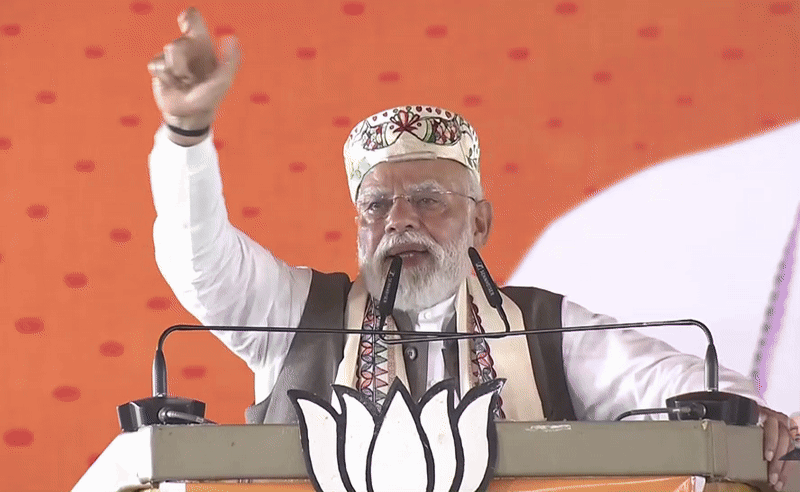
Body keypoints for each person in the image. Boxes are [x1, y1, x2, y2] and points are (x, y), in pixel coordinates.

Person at [146, 8, 798, 489]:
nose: (400, 220)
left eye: (429, 200)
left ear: (479, 223)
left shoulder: (545, 328)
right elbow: (198, 259)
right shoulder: (295, 316)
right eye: (377, 206)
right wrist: (186, 134)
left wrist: (748, 418)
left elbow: (681, 384)